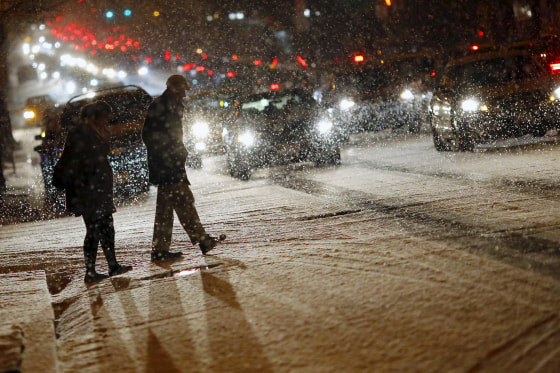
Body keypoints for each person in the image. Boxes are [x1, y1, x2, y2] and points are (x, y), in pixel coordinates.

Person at [142, 74, 224, 262]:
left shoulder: (167, 105)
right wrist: (169, 152)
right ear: (173, 89)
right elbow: (150, 136)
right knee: (184, 201)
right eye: (182, 91)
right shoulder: (163, 106)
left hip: (167, 164)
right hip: (168, 165)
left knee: (166, 209)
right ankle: (202, 240)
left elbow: (153, 135)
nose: (184, 95)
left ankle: (160, 250)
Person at [54, 101, 132, 282]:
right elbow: (79, 161)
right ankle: (90, 272)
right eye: (105, 116)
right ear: (96, 116)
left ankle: (113, 265)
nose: (108, 120)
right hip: (87, 191)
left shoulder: (94, 131)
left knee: (107, 227)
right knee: (94, 230)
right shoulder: (81, 133)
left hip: (98, 189)